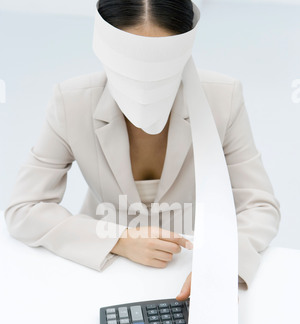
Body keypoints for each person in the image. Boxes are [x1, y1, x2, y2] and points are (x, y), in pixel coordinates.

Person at [5, 0, 281, 301]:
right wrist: (119, 239)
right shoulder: (71, 102)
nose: (145, 84)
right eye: (130, 65)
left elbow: (259, 206)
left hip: (189, 264)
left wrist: (222, 264)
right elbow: (24, 208)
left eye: (161, 67)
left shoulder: (223, 98)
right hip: (99, 267)